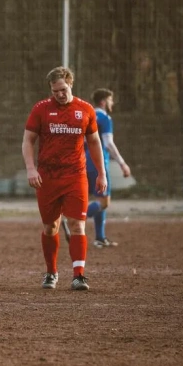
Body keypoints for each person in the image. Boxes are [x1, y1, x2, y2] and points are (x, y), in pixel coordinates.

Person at [22, 66, 107, 291]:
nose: (59, 94)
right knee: (50, 227)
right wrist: (31, 169)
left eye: (63, 89)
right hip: (47, 178)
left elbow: (95, 142)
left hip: (75, 175)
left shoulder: (86, 110)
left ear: (71, 84)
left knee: (77, 224)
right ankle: (51, 273)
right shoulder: (41, 109)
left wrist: (101, 173)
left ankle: (79, 275)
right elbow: (28, 141)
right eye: (55, 90)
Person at [81, 88, 131, 248]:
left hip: (84, 162)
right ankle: (75, 219)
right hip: (99, 162)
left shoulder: (87, 115)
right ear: (103, 102)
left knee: (98, 199)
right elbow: (108, 143)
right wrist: (123, 163)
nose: (112, 103)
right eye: (110, 100)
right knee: (104, 202)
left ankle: (100, 237)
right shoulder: (105, 118)